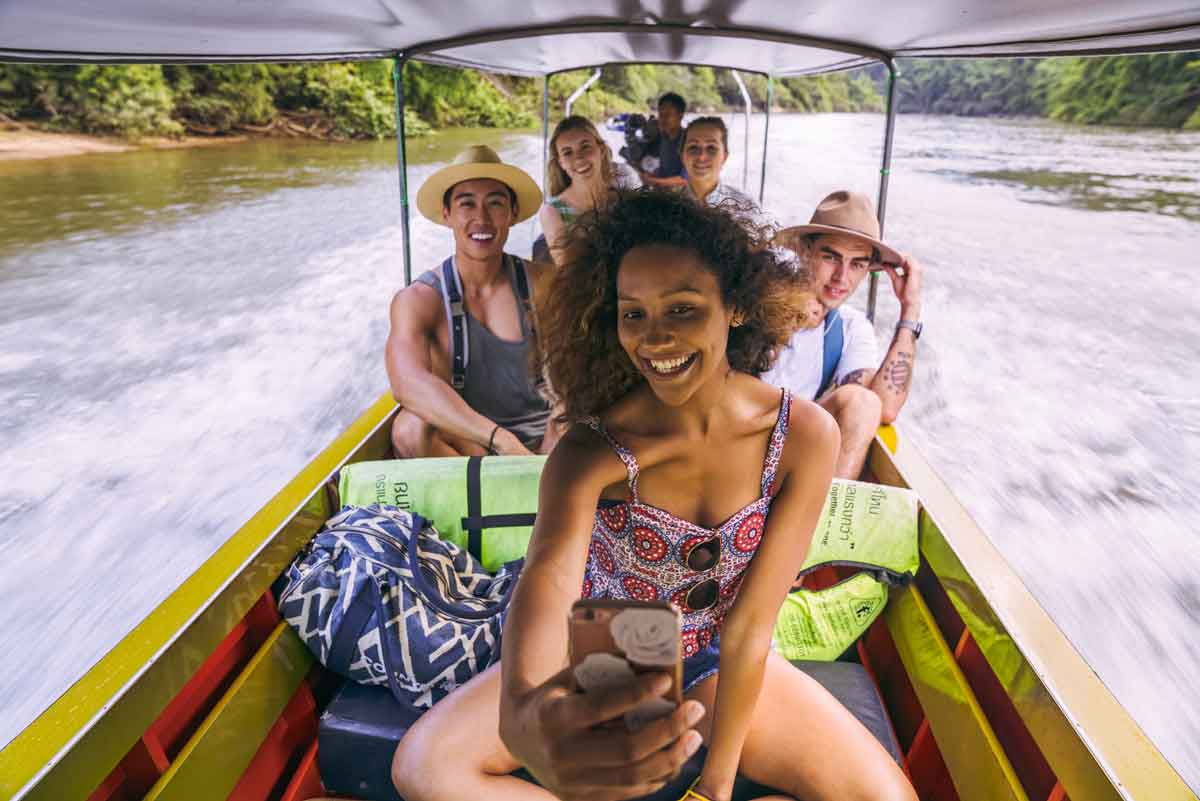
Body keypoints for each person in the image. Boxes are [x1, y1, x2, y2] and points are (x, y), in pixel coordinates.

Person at [391, 191, 916, 801]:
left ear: (735, 307)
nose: (655, 338)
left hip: (721, 658)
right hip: (606, 649)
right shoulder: (591, 451)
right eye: (633, 314)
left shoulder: (804, 435)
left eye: (683, 309)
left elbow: (750, 627)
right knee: (424, 764)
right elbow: (548, 581)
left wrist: (714, 789)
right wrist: (528, 712)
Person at [385, 144, 555, 458]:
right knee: (410, 429)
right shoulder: (419, 300)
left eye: (495, 203)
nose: (481, 218)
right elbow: (407, 383)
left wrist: (556, 433)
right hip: (469, 447)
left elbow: (580, 371)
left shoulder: (544, 284)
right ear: (447, 214)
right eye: (467, 204)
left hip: (546, 439)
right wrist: (500, 441)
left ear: (512, 214)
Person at [763, 190, 925, 479]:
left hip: (787, 455)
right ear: (803, 250)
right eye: (831, 257)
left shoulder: (851, 328)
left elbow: (885, 409)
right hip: (728, 438)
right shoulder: (757, 295)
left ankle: (828, 508)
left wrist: (910, 310)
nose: (842, 277)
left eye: (857, 264)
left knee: (863, 402)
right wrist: (784, 315)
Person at [537, 115, 640, 265]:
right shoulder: (552, 211)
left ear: (601, 150)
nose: (579, 158)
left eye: (585, 147)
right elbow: (569, 270)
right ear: (561, 163)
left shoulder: (625, 182)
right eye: (567, 153)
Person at [681, 116, 779, 234]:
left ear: (725, 157)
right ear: (682, 155)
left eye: (711, 148)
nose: (701, 157)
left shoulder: (745, 206)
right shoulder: (667, 204)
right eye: (693, 147)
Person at [639, 92, 688, 189]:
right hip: (663, 192)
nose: (662, 119)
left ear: (680, 116)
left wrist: (653, 181)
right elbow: (662, 168)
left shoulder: (689, 141)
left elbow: (685, 179)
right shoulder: (662, 137)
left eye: (668, 115)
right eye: (661, 115)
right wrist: (651, 175)